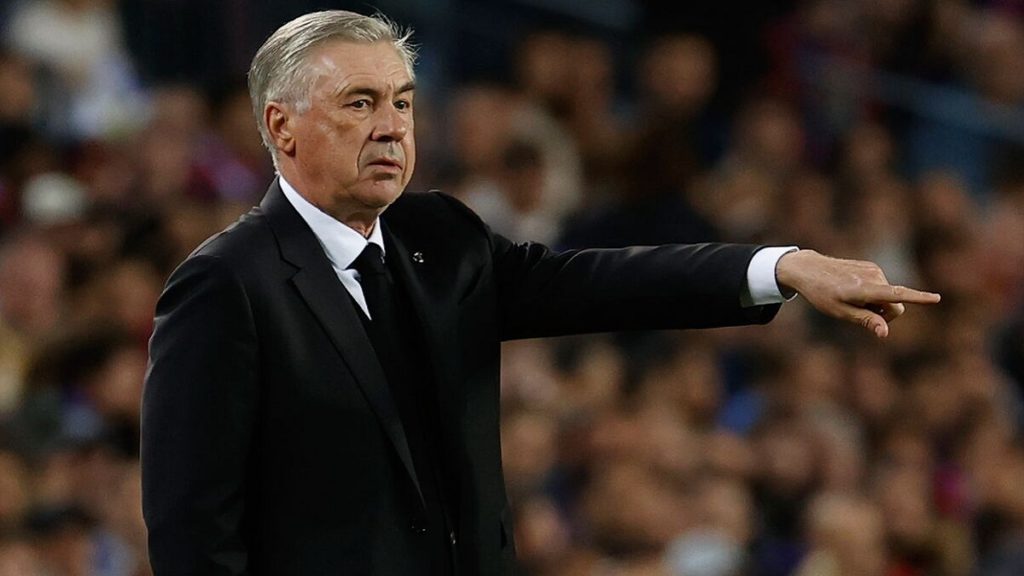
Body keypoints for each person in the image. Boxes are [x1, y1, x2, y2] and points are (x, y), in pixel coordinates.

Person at [139, 10, 940, 576]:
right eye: (361, 103)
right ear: (282, 127)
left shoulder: (442, 236)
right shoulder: (225, 285)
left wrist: (781, 267)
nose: (392, 127)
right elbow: (191, 533)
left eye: (404, 101)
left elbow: (596, 282)